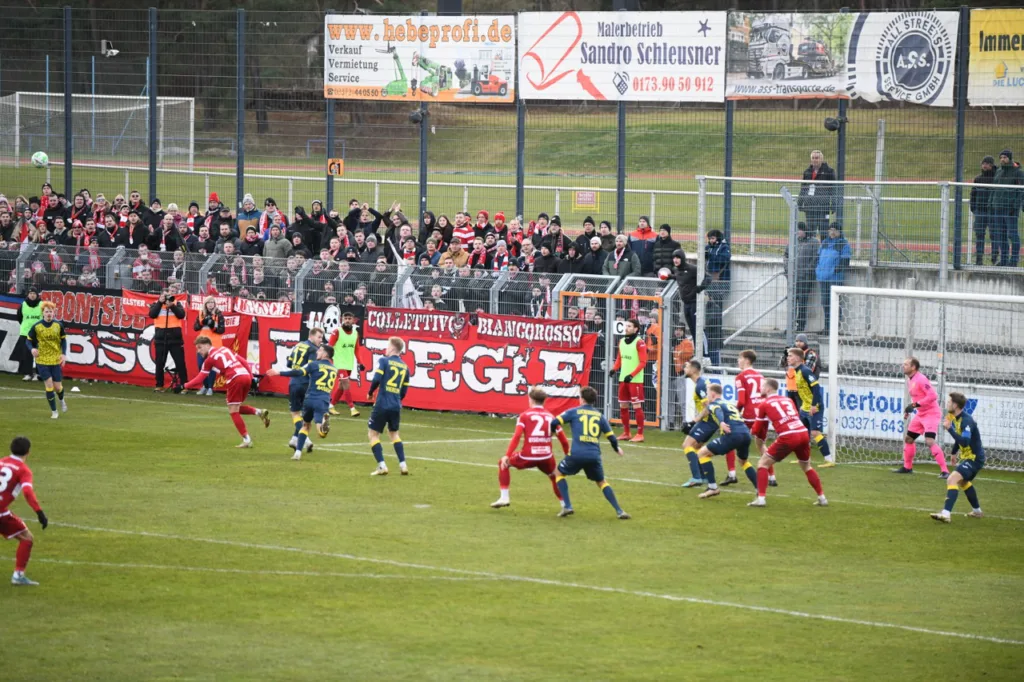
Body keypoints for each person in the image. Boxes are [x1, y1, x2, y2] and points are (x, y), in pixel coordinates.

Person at [550, 386, 629, 519]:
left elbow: (554, 421)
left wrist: (552, 432)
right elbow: (611, 437)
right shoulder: (600, 416)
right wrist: (617, 449)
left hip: (576, 454)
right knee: (601, 482)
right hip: (594, 455)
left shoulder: (574, 412)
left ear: (582, 399)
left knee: (558, 473)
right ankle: (619, 511)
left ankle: (567, 506)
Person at [748, 379, 828, 508]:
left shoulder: (764, 404)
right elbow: (794, 416)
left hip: (788, 435)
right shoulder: (788, 400)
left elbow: (757, 429)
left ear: (768, 389)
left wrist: (751, 430)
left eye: (762, 386)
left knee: (762, 464)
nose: (760, 388)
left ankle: (761, 499)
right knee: (807, 466)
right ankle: (822, 498)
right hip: (802, 432)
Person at [491, 387, 571, 510]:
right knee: (555, 476)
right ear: (544, 401)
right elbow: (564, 441)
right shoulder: (551, 417)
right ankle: (564, 505)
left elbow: (517, 436)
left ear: (531, 399)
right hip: (546, 456)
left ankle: (504, 497)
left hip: (528, 456)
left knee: (503, 463)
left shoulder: (524, 415)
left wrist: (507, 454)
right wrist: (568, 456)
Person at [183, 336, 270, 448]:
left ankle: (247, 439)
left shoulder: (209, 360)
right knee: (235, 407)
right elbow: (243, 361)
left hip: (235, 378)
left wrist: (184, 385)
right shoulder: (225, 349)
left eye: (199, 348)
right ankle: (259, 412)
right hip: (245, 376)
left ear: (207, 345)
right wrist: (252, 377)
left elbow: (200, 378)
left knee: (233, 410)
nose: (198, 351)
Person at [268, 343, 337, 461]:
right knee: (320, 432)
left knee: (305, 425)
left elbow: (298, 372)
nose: (317, 352)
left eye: (319, 350)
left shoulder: (314, 365)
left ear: (325, 353)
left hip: (309, 399)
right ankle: (322, 430)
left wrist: (279, 373)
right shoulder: (334, 369)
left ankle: (298, 453)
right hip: (323, 400)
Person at [693, 383, 756, 499]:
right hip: (746, 434)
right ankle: (760, 491)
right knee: (743, 461)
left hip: (732, 434)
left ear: (712, 394)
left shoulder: (714, 404)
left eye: (707, 393)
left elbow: (717, 411)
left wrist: (721, 422)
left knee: (702, 454)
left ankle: (712, 488)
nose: (707, 396)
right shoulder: (729, 404)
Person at [1, 436, 49, 586]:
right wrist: (39, 512)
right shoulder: (23, 470)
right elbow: (27, 492)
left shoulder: (1, 461)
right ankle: (18, 575)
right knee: (27, 538)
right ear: (28, 452)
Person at [931, 392, 985, 523]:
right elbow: (960, 438)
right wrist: (954, 453)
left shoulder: (967, 421)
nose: (947, 404)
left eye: (949, 402)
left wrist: (950, 429)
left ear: (955, 405)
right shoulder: (955, 417)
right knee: (963, 482)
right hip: (969, 457)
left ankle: (946, 514)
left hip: (974, 458)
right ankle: (977, 511)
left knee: (952, 479)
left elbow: (965, 442)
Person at [894, 357, 950, 477]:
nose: (903, 366)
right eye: (903, 364)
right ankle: (907, 467)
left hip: (931, 413)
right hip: (921, 414)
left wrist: (914, 405)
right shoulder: (911, 380)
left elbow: (933, 396)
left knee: (929, 441)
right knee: (909, 439)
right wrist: (910, 409)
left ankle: (945, 471)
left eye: (906, 364)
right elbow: (917, 399)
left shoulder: (921, 379)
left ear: (913, 367)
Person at [366, 336, 410, 477]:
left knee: (373, 434)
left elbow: (377, 379)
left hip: (382, 403)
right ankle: (403, 465)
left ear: (392, 348)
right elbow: (404, 390)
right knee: (394, 434)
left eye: (387, 346)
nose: (386, 348)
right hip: (396, 405)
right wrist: (396, 400)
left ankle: (382, 466)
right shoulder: (405, 367)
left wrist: (370, 392)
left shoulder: (384, 361)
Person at [733, 349, 775, 487]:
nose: (738, 361)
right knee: (761, 445)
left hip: (749, 416)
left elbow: (742, 401)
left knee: (730, 439)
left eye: (739, 358)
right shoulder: (760, 376)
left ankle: (731, 474)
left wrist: (734, 413)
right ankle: (772, 476)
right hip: (762, 415)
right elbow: (764, 396)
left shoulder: (740, 377)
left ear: (746, 360)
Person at [786, 347, 835, 467]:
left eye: (790, 356)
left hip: (815, 406)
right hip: (805, 406)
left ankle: (829, 460)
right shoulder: (796, 371)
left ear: (797, 358)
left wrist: (813, 405)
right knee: (803, 433)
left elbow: (816, 387)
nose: (788, 358)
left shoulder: (805, 370)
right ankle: (804, 458)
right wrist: (803, 406)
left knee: (815, 432)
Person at [282, 327, 324, 452]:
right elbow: (310, 367)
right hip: (306, 383)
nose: (321, 340)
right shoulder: (313, 349)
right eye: (319, 337)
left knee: (296, 414)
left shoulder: (298, 345)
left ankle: (295, 439)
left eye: (321, 338)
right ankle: (305, 439)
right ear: (311, 336)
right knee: (305, 415)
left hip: (293, 382)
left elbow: (289, 364)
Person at [27, 301, 67, 419]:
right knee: (49, 385)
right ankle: (54, 412)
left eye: (51, 311)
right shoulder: (37, 326)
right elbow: (28, 340)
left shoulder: (58, 325)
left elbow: (63, 340)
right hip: (42, 360)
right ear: (43, 313)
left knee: (58, 387)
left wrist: (63, 354)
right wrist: (32, 349)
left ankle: (61, 399)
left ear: (53, 313)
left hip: (55, 360)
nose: (49, 313)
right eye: (46, 311)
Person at [609, 319, 647, 443]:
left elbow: (643, 363)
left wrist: (631, 375)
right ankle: (626, 432)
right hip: (623, 379)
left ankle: (640, 434)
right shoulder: (622, 341)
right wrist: (614, 369)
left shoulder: (639, 342)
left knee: (636, 405)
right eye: (626, 326)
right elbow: (619, 358)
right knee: (623, 405)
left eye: (629, 326)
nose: (626, 328)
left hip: (635, 380)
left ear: (636, 329)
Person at [681, 360, 715, 488]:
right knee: (697, 448)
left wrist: (693, 422)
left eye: (687, 366)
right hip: (711, 422)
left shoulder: (701, 385)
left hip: (709, 421)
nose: (684, 368)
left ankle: (696, 477)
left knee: (687, 444)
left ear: (694, 370)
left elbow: (709, 407)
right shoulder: (702, 383)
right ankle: (704, 476)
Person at [328, 312, 367, 417]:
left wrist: (360, 362)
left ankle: (331, 406)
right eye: (345, 318)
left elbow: (357, 350)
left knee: (341, 386)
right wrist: (329, 361)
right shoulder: (336, 332)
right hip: (338, 363)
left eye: (349, 318)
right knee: (346, 383)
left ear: (353, 320)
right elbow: (329, 347)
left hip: (348, 364)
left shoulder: (355, 333)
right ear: (342, 319)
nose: (347, 320)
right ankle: (352, 408)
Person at [149, 289, 188, 393]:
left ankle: (184, 385)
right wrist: (159, 302)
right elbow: (152, 314)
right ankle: (159, 385)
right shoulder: (155, 304)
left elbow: (181, 315)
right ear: (161, 295)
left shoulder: (176, 303)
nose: (167, 298)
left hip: (175, 338)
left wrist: (172, 306)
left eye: (169, 295)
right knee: (159, 363)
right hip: (161, 338)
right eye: (165, 296)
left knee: (180, 363)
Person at [784, 222, 819, 332]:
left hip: (805, 278)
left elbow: (815, 259)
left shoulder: (813, 242)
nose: (797, 232)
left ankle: (800, 326)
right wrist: (787, 271)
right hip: (792, 278)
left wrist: (807, 272)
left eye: (799, 230)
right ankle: (790, 326)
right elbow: (785, 256)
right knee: (792, 302)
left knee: (802, 302)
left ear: (804, 230)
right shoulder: (792, 242)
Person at [816, 224, 850, 334]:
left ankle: (834, 327)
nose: (832, 232)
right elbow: (818, 258)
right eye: (830, 230)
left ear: (839, 231)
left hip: (834, 279)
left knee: (834, 303)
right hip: (823, 277)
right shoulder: (825, 243)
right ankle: (827, 327)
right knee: (825, 302)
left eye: (834, 230)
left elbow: (845, 262)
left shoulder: (843, 244)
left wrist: (834, 270)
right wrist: (818, 269)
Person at [991, 148, 1023, 267]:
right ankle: (1004, 259)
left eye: (1004, 157)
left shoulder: (1018, 172)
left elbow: (1021, 191)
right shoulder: (998, 171)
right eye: (1001, 157)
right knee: (1001, 234)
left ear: (1009, 158)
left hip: (1010, 209)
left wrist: (1015, 206)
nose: (1002, 159)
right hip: (997, 207)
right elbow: (994, 189)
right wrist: (991, 204)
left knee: (1012, 234)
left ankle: (1014, 260)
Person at [704, 230, 731, 365]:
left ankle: (716, 330)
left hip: (720, 282)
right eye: (709, 238)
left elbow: (724, 259)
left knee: (717, 308)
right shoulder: (708, 247)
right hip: (709, 282)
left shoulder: (724, 248)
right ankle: (708, 328)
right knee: (709, 307)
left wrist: (711, 256)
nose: (710, 240)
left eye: (713, 238)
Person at [797, 149, 837, 240]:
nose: (815, 160)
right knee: (810, 232)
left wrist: (834, 204)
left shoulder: (829, 171)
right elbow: (803, 188)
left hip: (823, 207)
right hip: (810, 207)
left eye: (817, 158)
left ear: (821, 159)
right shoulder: (807, 172)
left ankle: (824, 252)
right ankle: (812, 251)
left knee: (824, 231)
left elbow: (834, 189)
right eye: (813, 158)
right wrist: (800, 203)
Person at [192, 296, 226, 396]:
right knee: (201, 365)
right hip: (202, 343)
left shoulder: (219, 314)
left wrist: (213, 326)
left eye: (212, 302)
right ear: (205, 304)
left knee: (211, 367)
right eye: (209, 302)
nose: (211, 304)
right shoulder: (201, 313)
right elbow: (195, 327)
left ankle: (210, 387)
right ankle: (204, 386)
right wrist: (203, 322)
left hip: (214, 343)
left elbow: (222, 330)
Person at [970, 156, 996, 266]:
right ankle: (979, 259)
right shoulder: (978, 179)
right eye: (983, 163)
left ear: (991, 165)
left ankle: (994, 258)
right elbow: (973, 194)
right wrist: (973, 208)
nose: (984, 165)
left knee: (994, 235)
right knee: (979, 235)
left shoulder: (996, 179)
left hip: (993, 211)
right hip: (980, 211)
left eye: (987, 163)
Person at [16, 287, 43, 380]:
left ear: (37, 295)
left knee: (39, 354)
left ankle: (39, 374)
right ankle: (28, 373)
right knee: (26, 354)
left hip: (39, 333)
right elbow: (19, 317)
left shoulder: (42, 304)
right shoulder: (23, 305)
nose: (32, 295)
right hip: (25, 333)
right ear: (28, 294)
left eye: (34, 293)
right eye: (30, 293)